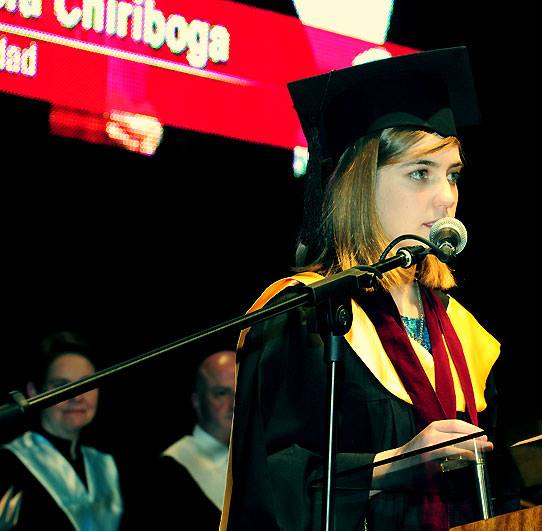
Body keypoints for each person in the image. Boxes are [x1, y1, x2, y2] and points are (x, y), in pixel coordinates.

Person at [222, 47, 509, 531]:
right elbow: (269, 485)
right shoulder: (302, 314)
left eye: (453, 175)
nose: (447, 197)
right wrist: (390, 467)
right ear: (357, 185)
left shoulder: (464, 334)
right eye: (420, 173)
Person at [0, 332, 123, 530]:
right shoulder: (9, 466)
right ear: (33, 391)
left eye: (87, 384)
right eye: (61, 386)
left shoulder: (107, 464)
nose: (77, 397)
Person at [149, 350, 235, 530]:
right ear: (197, 402)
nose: (235, 402)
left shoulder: (264, 457)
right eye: (222, 393)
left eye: (243, 390)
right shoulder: (167, 472)